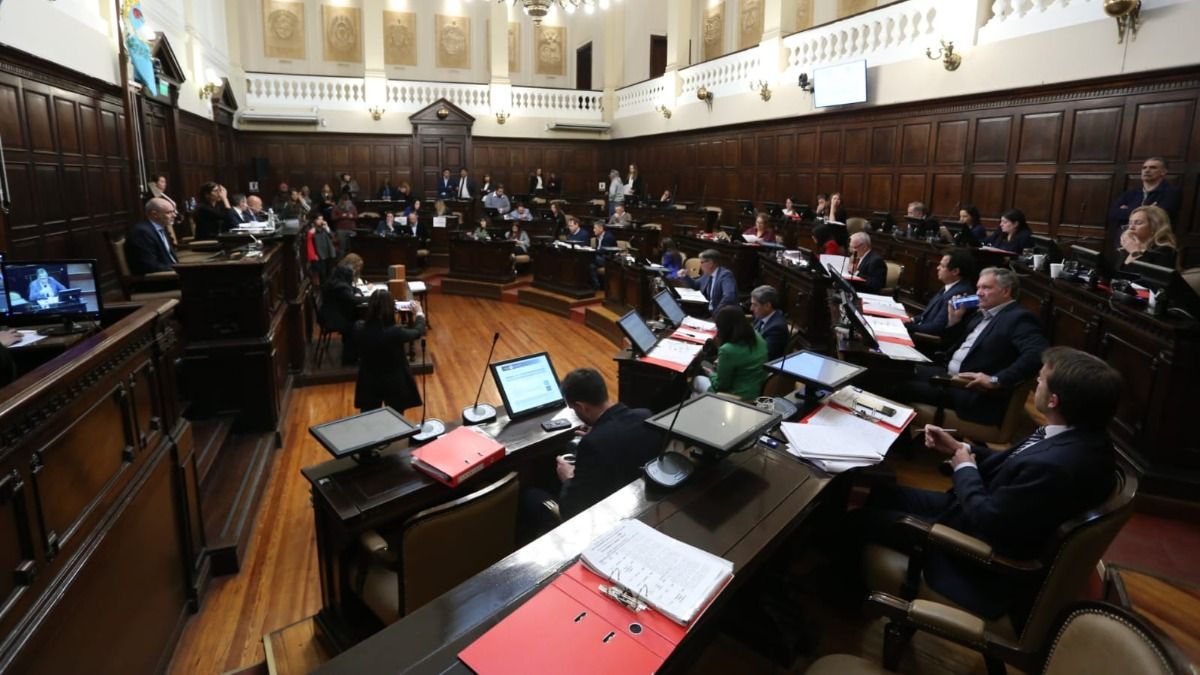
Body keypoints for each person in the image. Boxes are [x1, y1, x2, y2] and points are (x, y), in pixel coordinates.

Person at [856, 347, 1121, 621]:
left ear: (1054, 400)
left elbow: (988, 519)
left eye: (1041, 380)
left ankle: (849, 604)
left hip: (975, 557)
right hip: (980, 511)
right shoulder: (1079, 436)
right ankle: (857, 593)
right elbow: (1015, 464)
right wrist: (960, 448)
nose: (1035, 383)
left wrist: (965, 467)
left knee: (859, 520)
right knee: (884, 492)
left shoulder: (1056, 466)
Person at [893, 267, 1048, 426]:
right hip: (947, 374)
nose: (979, 293)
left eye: (986, 288)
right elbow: (951, 346)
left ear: (1006, 291)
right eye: (978, 287)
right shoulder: (981, 314)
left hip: (970, 392)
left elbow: (1037, 353)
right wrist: (954, 320)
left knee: (896, 386)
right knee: (892, 370)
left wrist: (996, 379)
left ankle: (901, 439)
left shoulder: (1019, 318)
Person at [551, 368, 664, 520]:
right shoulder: (646, 416)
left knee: (532, 495)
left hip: (612, 516)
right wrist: (597, 433)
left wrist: (568, 478)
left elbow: (571, 509)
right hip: (648, 503)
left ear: (581, 407)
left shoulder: (592, 444)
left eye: (573, 408)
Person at [353, 290, 427, 413]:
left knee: (368, 419)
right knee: (395, 419)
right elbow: (417, 332)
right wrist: (419, 313)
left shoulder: (359, 328)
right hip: (394, 383)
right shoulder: (395, 332)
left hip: (369, 381)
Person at [695, 305, 769, 401]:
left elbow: (720, 386)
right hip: (757, 392)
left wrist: (711, 374)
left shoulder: (727, 350)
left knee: (697, 380)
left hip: (737, 398)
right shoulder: (757, 336)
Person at [909, 249, 975, 336]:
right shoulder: (950, 286)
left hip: (927, 339)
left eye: (942, 266)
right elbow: (925, 316)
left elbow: (936, 328)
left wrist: (907, 326)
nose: (938, 268)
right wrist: (911, 320)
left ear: (955, 271)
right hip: (921, 329)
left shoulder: (960, 294)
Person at [1109, 156, 1181, 227]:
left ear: (1163, 172)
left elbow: (1159, 217)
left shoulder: (1171, 192)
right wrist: (1147, 210)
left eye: (1153, 167)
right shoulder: (1132, 192)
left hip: (1153, 233)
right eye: (1144, 168)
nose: (1147, 170)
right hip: (1125, 232)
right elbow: (1113, 213)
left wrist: (1128, 210)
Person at [677, 248, 738, 316]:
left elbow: (729, 297)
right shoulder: (707, 274)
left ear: (711, 263)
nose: (700, 265)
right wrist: (685, 277)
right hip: (706, 310)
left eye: (702, 262)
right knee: (679, 308)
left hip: (720, 314)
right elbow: (695, 285)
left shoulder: (725, 275)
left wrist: (715, 314)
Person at [126, 197, 179, 275]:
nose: (174, 215)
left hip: (171, 271)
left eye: (173, 212)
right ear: (154, 214)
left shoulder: (160, 227)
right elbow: (150, 266)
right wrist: (179, 270)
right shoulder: (142, 233)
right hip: (159, 278)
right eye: (169, 212)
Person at [320, 264, 359, 365]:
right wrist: (371, 298)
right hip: (334, 320)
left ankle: (352, 354)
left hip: (327, 317)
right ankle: (350, 358)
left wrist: (355, 289)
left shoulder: (333, 282)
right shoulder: (340, 287)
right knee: (356, 325)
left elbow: (348, 291)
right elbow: (353, 300)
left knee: (354, 321)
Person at [1118, 205, 1178, 270]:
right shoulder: (1126, 249)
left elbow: (1142, 274)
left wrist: (1135, 252)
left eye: (1138, 223)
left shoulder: (1165, 251)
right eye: (1130, 223)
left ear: (1154, 227)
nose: (1131, 227)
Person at [750, 285, 788, 360]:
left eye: (755, 305)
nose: (751, 308)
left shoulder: (777, 328)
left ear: (767, 306)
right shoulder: (761, 315)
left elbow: (764, 355)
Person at [306, 214, 337, 282]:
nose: (321, 221)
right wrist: (314, 256)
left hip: (329, 253)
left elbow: (333, 237)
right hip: (320, 255)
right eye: (319, 219)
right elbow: (310, 245)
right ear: (314, 220)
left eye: (322, 219)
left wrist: (327, 228)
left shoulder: (325, 228)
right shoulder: (312, 231)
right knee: (323, 275)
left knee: (330, 272)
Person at [590, 221, 617, 289]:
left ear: (601, 228)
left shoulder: (608, 237)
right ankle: (596, 286)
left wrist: (592, 251)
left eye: (595, 228)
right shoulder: (598, 236)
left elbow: (603, 251)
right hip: (600, 258)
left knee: (589, 258)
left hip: (609, 259)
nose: (593, 230)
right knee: (591, 266)